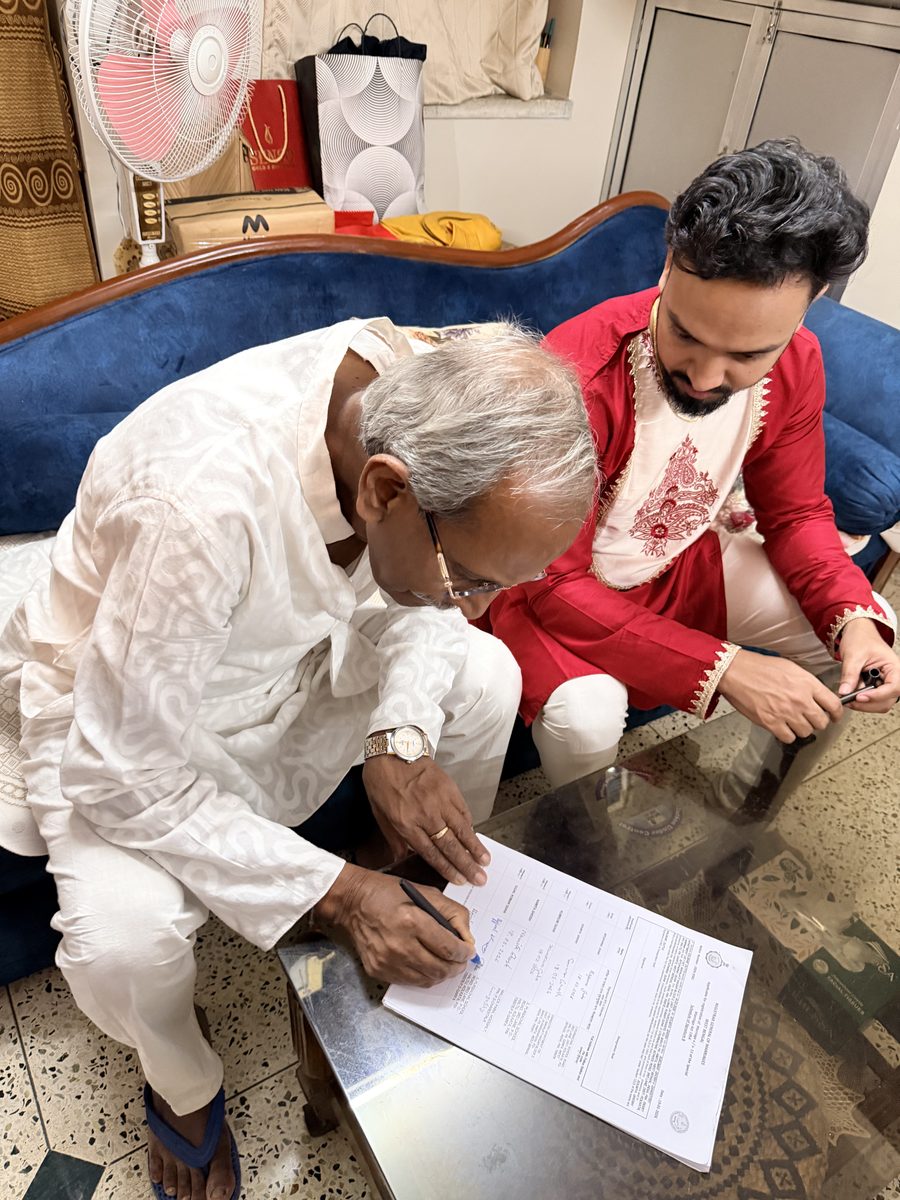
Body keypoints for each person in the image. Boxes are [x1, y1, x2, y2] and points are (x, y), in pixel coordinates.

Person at [0, 318, 596, 1200]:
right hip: (129, 704)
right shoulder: (198, 506)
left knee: (488, 675)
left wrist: (399, 736)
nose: (475, 605)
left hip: (296, 652)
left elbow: (426, 608)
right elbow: (124, 770)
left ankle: (411, 878)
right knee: (124, 943)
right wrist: (338, 897)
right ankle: (186, 1082)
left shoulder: (430, 385)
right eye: (471, 579)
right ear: (384, 491)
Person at [484, 139, 899, 790]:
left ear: (814, 300)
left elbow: (795, 515)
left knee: (866, 630)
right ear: (669, 263)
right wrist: (726, 668)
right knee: (586, 717)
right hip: (547, 592)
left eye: (747, 355)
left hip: (678, 561)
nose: (705, 378)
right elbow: (551, 582)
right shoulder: (578, 378)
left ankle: (750, 807)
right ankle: (586, 838)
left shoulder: (798, 363)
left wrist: (854, 620)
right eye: (683, 333)